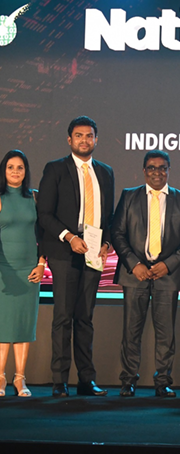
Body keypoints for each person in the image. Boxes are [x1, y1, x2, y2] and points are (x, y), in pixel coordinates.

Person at [37, 116, 114, 398]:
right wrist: (69, 237)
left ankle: (86, 380)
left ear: (96, 140)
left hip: (93, 254)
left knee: (85, 318)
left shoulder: (105, 172)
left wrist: (106, 243)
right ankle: (59, 381)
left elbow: (109, 216)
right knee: (63, 318)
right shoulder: (55, 169)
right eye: (79, 135)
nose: (84, 140)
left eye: (89, 135)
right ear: (69, 139)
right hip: (64, 252)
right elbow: (45, 214)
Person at [111, 150, 180, 397]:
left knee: (166, 334)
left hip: (167, 276)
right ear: (144, 171)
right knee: (131, 332)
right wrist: (133, 264)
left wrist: (169, 264)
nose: (157, 172)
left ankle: (163, 382)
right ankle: (128, 381)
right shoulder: (129, 196)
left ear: (169, 170)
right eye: (151, 167)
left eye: (162, 168)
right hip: (134, 274)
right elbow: (117, 233)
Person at [0, 150, 45, 397]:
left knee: (24, 324)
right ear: (3, 170)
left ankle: (20, 379)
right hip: (3, 269)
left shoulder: (35, 197)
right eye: (10, 167)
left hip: (30, 270)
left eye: (20, 167)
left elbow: (43, 234)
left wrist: (41, 263)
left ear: (26, 171)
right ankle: (0, 378)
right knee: (3, 324)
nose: (15, 171)